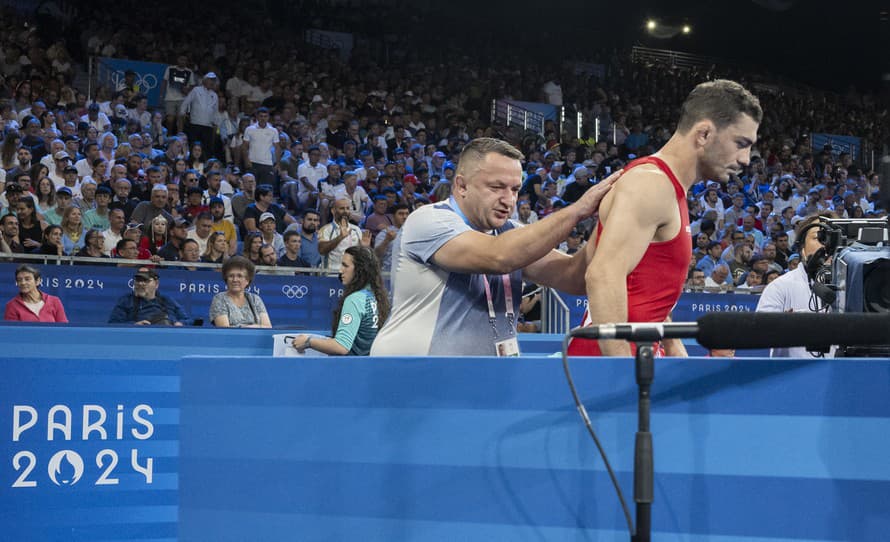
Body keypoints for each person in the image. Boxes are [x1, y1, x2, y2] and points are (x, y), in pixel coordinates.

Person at [370, 137, 616, 356]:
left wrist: (609, 217)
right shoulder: (428, 220)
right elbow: (498, 256)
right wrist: (578, 210)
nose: (508, 200)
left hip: (485, 379)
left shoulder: (511, 233)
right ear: (461, 185)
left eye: (515, 189)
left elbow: (575, 277)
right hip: (414, 378)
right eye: (496, 187)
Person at [569, 80, 762, 356]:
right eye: (741, 143)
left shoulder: (669, 189)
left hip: (633, 359)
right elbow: (602, 275)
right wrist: (623, 371)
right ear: (704, 133)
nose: (745, 159)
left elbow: (651, 301)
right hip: (611, 367)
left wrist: (677, 357)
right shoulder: (652, 184)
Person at [756, 214, 836, 357]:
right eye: (819, 237)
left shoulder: (856, 287)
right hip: (793, 375)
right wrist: (784, 326)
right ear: (801, 247)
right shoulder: (780, 286)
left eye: (832, 237)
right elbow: (760, 333)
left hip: (844, 374)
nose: (826, 244)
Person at [291, 246, 389, 355]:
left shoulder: (355, 299)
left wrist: (308, 342)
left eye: (345, 265)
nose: (340, 270)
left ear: (360, 270)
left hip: (350, 368)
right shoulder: (376, 296)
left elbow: (341, 346)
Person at [108, 267, 192, 325]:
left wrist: (180, 324)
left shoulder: (167, 300)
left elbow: (188, 320)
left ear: (156, 284)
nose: (140, 284)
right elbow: (113, 324)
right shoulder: (126, 300)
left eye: (145, 280)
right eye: (138, 280)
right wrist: (134, 325)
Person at [209, 256, 272, 328]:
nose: (235, 280)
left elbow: (268, 327)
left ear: (247, 280)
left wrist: (245, 327)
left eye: (240, 276)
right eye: (231, 276)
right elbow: (225, 330)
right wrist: (255, 327)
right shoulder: (219, 299)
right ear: (226, 279)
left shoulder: (255, 299)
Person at [4, 264, 68, 322]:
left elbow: (64, 328)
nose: (23, 283)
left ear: (37, 281)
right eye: (19, 280)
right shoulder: (12, 305)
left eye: (27, 279)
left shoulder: (54, 301)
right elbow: (12, 332)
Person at [318, 197, 367, 272]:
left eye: (347, 208)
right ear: (333, 211)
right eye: (342, 208)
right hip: (331, 274)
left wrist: (365, 248)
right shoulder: (326, 229)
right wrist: (340, 237)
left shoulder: (356, 230)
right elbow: (322, 250)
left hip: (352, 275)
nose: (345, 211)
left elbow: (362, 256)